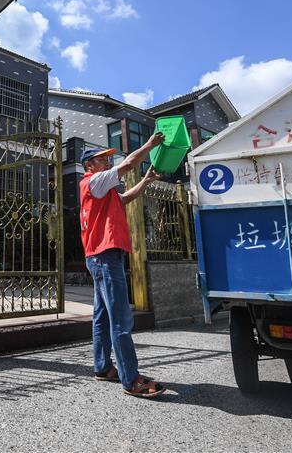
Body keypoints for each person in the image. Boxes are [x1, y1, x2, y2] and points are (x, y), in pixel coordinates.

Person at [80, 131, 166, 398]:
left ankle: (103, 367)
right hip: (105, 256)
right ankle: (131, 379)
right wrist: (149, 144)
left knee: (103, 316)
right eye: (102, 159)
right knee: (120, 318)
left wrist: (145, 181)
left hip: (99, 257)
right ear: (89, 165)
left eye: (108, 159)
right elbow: (128, 163)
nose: (107, 162)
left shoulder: (102, 190)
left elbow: (125, 198)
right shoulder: (94, 182)